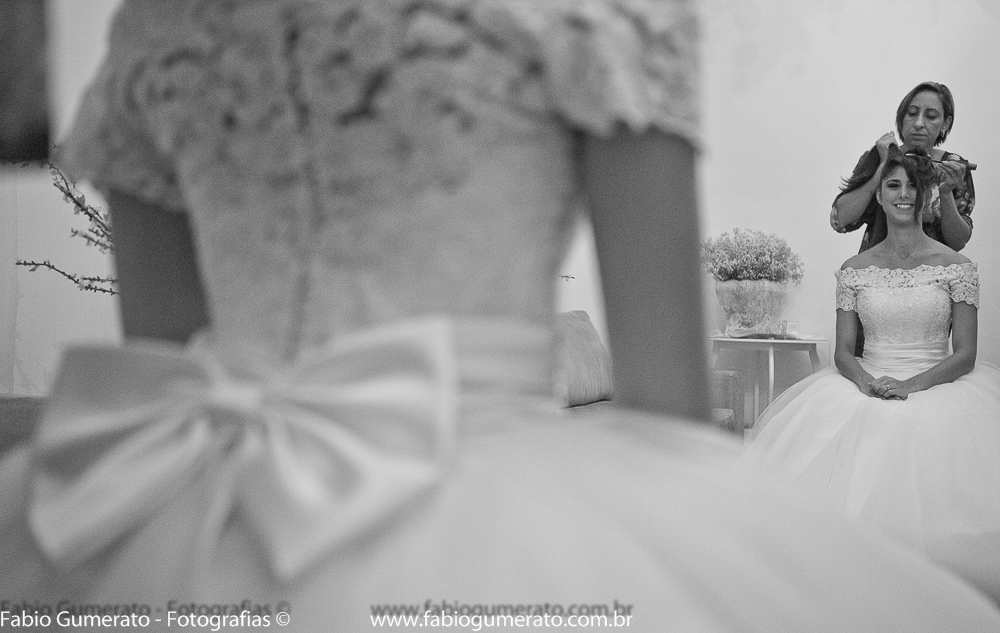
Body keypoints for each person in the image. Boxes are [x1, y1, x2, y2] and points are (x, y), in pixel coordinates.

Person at [1, 2, 999, 631]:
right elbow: (665, 399)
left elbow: (164, 368)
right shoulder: (593, 13)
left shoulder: (158, 26)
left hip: (191, 509)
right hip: (493, 492)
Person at [746, 149, 1000, 603]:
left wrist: (911, 385)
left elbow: (965, 354)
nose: (903, 194)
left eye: (912, 186)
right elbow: (844, 351)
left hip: (937, 382)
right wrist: (866, 382)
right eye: (893, 185)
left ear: (927, 196)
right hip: (868, 382)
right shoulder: (854, 270)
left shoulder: (957, 267)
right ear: (879, 196)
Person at [829, 81, 975, 253]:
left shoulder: (953, 166)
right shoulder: (880, 154)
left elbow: (958, 243)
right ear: (901, 118)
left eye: (931, 116)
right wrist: (883, 167)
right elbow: (841, 220)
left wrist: (946, 192)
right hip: (879, 266)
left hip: (933, 268)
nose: (918, 123)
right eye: (912, 113)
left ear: (945, 123)